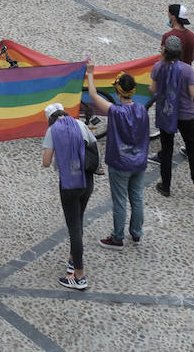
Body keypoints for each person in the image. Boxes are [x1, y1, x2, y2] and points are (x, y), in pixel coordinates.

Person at [85, 64, 149, 250]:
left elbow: (94, 95)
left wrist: (90, 73)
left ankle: (117, 237)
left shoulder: (116, 111)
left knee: (120, 200)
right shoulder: (142, 110)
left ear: (117, 91)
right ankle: (136, 233)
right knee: (136, 197)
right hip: (139, 161)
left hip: (120, 164)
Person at [41, 101, 97, 290]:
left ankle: (79, 276)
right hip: (87, 180)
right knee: (78, 221)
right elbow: (93, 145)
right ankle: (73, 260)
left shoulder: (52, 131)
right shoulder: (80, 124)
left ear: (50, 118)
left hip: (69, 184)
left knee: (73, 227)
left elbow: (46, 162)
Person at [150, 35, 194, 198]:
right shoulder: (187, 70)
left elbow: (152, 89)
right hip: (187, 115)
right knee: (192, 147)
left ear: (165, 51)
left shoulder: (158, 67)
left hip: (167, 113)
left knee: (166, 149)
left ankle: (165, 186)